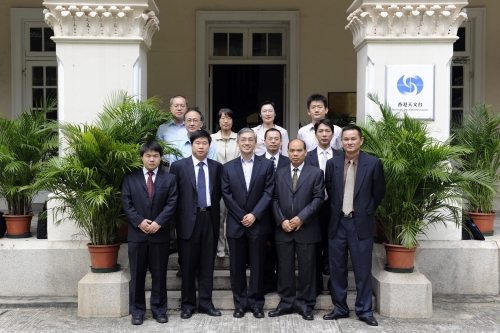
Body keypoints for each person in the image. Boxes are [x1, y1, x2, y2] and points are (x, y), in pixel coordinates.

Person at [323, 124, 386, 326]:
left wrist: (364, 210)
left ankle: (364, 310)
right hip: (337, 223)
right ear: (341, 142)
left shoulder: (373, 163)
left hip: (361, 224)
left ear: (361, 141)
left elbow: (379, 193)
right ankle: (340, 308)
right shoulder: (333, 164)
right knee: (337, 269)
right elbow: (331, 191)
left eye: (353, 139)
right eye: (346, 139)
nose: (349, 142)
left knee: (362, 269)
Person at [121, 141, 178, 326]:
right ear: (142, 157)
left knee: (159, 275)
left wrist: (158, 223)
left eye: (155, 156)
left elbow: (172, 203)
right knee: (137, 275)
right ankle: (137, 312)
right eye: (148, 155)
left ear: (160, 158)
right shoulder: (130, 178)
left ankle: (159, 310)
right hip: (137, 235)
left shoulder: (169, 179)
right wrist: (139, 222)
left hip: (159, 235)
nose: (152, 159)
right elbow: (126, 203)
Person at [169, 130, 223, 319]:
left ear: (210, 146)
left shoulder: (217, 167)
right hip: (187, 222)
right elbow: (173, 197)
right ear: (191, 145)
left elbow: (220, 194)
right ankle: (188, 305)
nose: (201, 146)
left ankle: (206, 304)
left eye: (205, 143)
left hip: (210, 218)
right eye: (197, 143)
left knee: (207, 264)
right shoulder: (178, 167)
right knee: (189, 266)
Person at [222, 128, 275, 319]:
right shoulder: (227, 167)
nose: (246, 143)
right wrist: (242, 215)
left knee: (258, 266)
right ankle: (240, 304)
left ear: (256, 142)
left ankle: (256, 304)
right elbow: (226, 194)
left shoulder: (266, 165)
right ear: (237, 143)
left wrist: (254, 215)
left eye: (250, 140)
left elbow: (269, 192)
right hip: (236, 224)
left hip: (258, 224)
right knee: (236, 267)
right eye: (243, 139)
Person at [269, 139, 325, 321]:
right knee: (284, 269)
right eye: (292, 150)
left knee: (307, 269)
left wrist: (302, 218)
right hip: (283, 229)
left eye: (299, 150)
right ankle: (285, 303)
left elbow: (318, 198)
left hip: (306, 229)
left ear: (305, 152)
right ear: (287, 151)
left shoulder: (316, 173)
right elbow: (274, 198)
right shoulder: (279, 173)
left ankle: (306, 305)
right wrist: (281, 220)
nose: (295, 154)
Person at [304, 118, 341, 296]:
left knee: (334, 247)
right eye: (321, 131)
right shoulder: (307, 156)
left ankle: (334, 286)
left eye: (327, 131)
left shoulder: (341, 156)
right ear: (315, 134)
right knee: (315, 247)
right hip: (313, 209)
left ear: (333, 134)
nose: (324, 134)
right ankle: (316, 286)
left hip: (335, 208)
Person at [156, 95, 188, 255]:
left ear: (186, 108)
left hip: (187, 172)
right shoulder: (163, 129)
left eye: (182, 105)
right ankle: (169, 243)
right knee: (168, 204)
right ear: (170, 108)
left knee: (185, 206)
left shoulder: (191, 126)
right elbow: (158, 152)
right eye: (176, 105)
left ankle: (184, 242)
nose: (179, 108)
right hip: (167, 171)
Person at [261, 128, 290, 294]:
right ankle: (266, 283)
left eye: (276, 139)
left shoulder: (288, 161)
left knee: (282, 252)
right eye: (269, 138)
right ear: (263, 142)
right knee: (265, 251)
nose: (273, 141)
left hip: (283, 214)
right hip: (263, 214)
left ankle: (282, 284)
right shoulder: (257, 161)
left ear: (281, 142)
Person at [211, 108, 241, 258]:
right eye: (222, 118)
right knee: (220, 215)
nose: (225, 121)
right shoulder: (210, 139)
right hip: (217, 183)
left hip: (235, 183)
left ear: (233, 121)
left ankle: (232, 246)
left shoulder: (240, 138)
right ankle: (220, 247)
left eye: (228, 118)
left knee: (233, 215)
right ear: (218, 121)